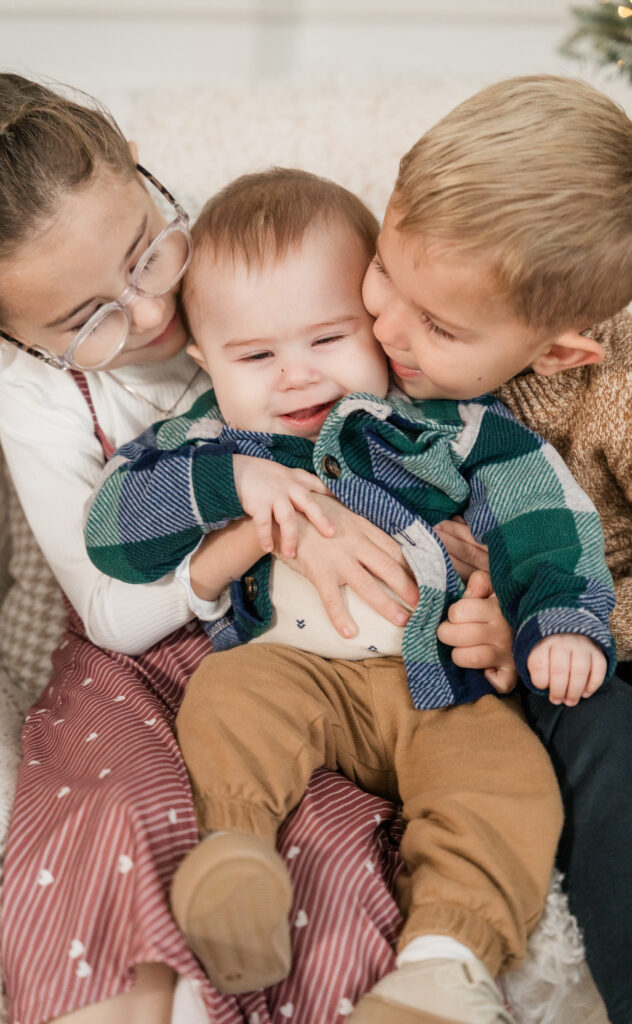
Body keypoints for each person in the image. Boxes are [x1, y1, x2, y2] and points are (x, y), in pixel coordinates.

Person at [84, 166, 622, 1024]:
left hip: (443, 688)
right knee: (227, 701)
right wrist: (233, 483)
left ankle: (444, 967)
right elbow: (112, 526)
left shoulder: (450, 427)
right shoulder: (210, 444)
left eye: (326, 340)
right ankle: (236, 866)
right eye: (255, 356)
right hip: (294, 670)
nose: (295, 378)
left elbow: (544, 515)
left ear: (377, 325)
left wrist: (558, 621)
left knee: (507, 784)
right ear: (205, 360)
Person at [0, 73, 426, 1024]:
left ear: (144, 179)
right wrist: (253, 522)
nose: (150, 313)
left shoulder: (233, 240)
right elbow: (111, 612)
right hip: (134, 652)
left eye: (147, 253)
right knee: (107, 819)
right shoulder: (31, 399)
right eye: (85, 320)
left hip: (287, 647)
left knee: (310, 834)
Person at [360, 75, 632, 1024]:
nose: (386, 328)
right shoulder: (371, 354)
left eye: (439, 327)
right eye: (387, 273)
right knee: (607, 741)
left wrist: (579, 627)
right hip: (493, 667)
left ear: (559, 352)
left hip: (609, 617)